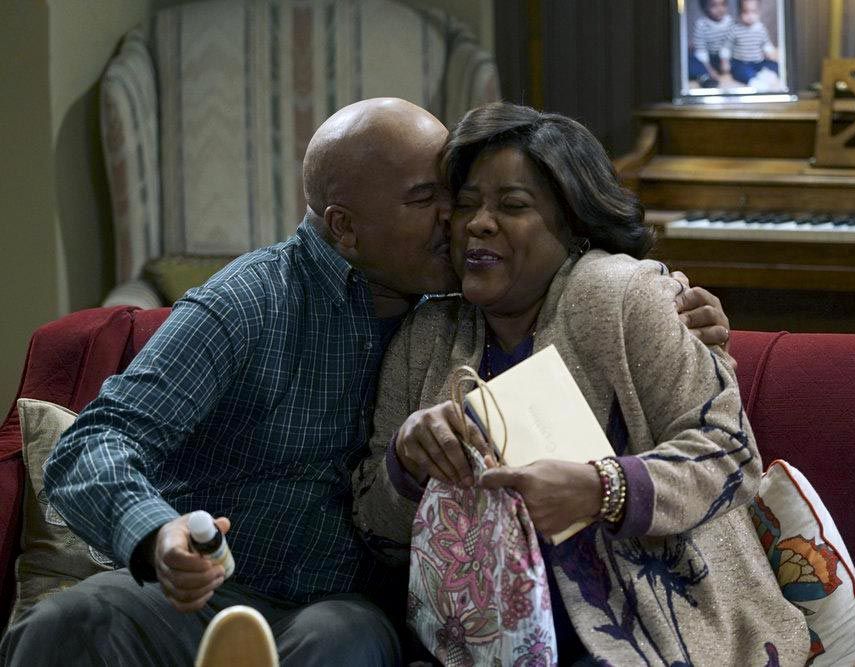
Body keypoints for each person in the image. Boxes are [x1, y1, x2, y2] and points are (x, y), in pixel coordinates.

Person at [0, 98, 732, 666]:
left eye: (466, 196)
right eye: (433, 199)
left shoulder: (449, 309)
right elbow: (93, 444)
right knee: (66, 619)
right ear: (346, 230)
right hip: (211, 589)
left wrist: (684, 319)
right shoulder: (249, 304)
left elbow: (704, 419)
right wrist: (158, 536)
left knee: (335, 641)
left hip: (346, 607)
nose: (463, 221)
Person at [352, 102, 810, 665]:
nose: (479, 222)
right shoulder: (424, 335)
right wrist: (405, 461)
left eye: (513, 205)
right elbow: (376, 534)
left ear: (574, 226)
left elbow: (731, 455)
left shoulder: (628, 296)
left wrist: (604, 489)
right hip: (477, 642)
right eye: (466, 204)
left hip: (656, 633)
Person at [727, 0, 781, 87]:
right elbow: (727, 47)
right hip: (741, 62)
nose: (750, 16)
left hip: (757, 61)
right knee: (739, 71)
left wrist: (770, 52)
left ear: (759, 12)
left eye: (754, 12)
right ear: (739, 12)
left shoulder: (761, 28)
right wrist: (724, 60)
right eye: (746, 12)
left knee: (775, 65)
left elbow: (766, 44)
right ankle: (753, 81)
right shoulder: (735, 28)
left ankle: (765, 75)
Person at [688, 0, 734, 88]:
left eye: (723, 4)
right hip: (707, 58)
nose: (719, 9)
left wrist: (725, 61)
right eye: (714, 6)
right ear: (705, 7)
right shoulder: (701, 24)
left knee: (740, 61)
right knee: (689, 58)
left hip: (726, 58)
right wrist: (710, 70)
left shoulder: (730, 22)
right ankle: (704, 76)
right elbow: (701, 49)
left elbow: (730, 44)